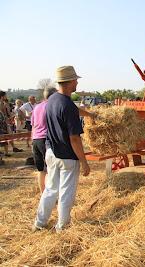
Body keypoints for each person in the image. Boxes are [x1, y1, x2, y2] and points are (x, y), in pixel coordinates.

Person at [33, 66, 95, 232]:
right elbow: (74, 139)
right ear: (69, 83)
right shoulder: (67, 105)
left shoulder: (52, 99)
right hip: (68, 157)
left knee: (51, 189)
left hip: (52, 152)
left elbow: (74, 110)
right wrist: (84, 162)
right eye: (75, 80)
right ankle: (62, 227)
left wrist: (90, 115)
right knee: (66, 192)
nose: (77, 82)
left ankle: (39, 223)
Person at [31, 87, 57, 193]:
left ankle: (43, 193)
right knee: (51, 169)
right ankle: (50, 195)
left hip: (35, 139)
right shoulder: (51, 106)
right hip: (45, 140)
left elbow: (33, 124)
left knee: (41, 169)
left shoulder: (37, 107)